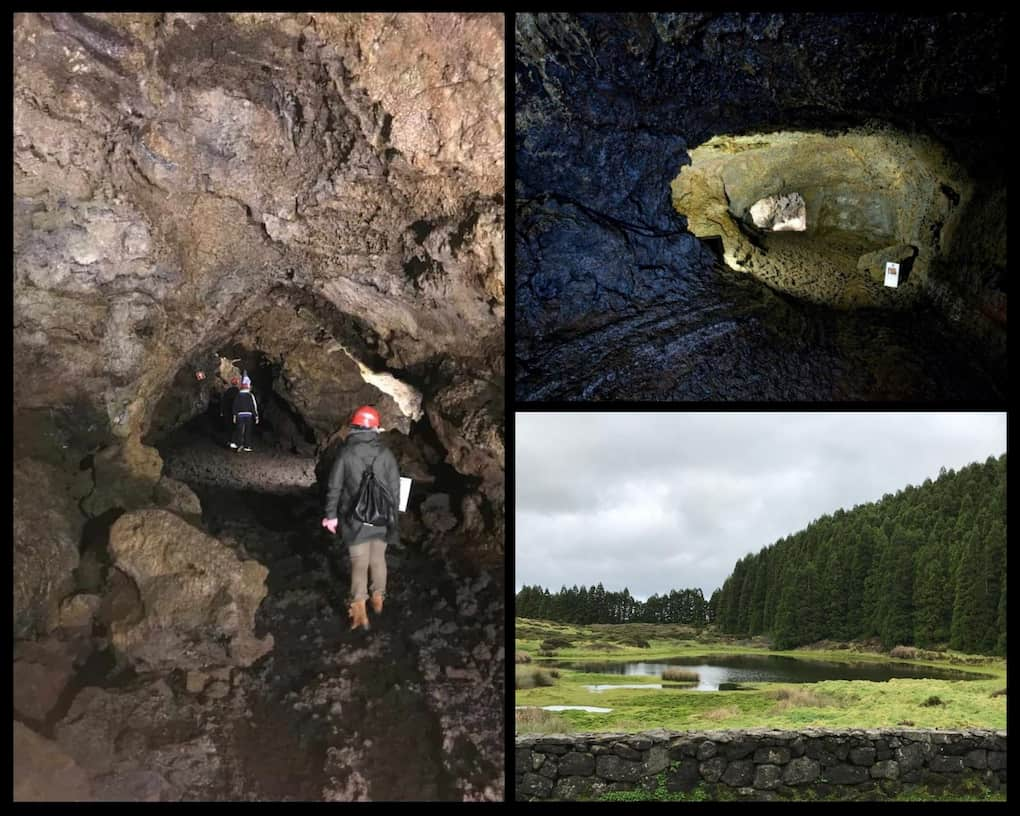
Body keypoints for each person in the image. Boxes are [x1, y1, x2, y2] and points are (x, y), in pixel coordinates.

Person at [321, 405, 400, 630]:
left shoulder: (346, 453)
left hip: (354, 518)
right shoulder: (385, 454)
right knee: (378, 559)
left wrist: (331, 516)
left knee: (359, 562)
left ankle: (359, 610)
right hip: (382, 517)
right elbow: (395, 491)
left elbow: (334, 487)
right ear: (376, 428)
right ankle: (379, 599)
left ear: (354, 427)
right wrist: (393, 518)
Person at [230, 375, 259, 452]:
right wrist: (256, 416)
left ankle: (239, 445)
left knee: (239, 430)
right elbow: (253, 406)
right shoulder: (250, 396)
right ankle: (247, 446)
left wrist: (234, 415)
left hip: (240, 415)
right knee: (248, 430)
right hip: (248, 415)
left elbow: (235, 406)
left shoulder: (238, 396)